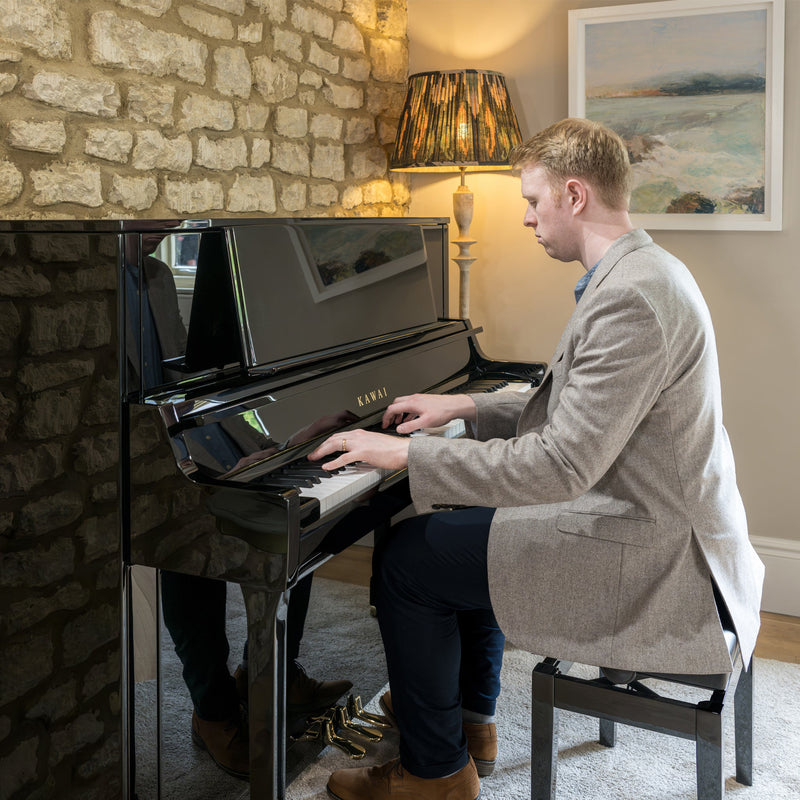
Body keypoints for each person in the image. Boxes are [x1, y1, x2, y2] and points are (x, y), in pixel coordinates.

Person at [308, 118, 765, 800]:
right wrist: (465, 408)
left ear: (574, 195)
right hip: (652, 518)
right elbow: (576, 410)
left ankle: (434, 775)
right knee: (458, 528)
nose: (526, 218)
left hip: (652, 553)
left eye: (532, 200)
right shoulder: (644, 271)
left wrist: (404, 451)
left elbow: (558, 467)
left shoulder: (631, 298)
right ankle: (469, 721)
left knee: (409, 559)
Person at [126, 226, 354, 780]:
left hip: (192, 432)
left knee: (294, 512)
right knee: (189, 549)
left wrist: (271, 442)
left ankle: (269, 672)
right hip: (139, 452)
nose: (169, 227)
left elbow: (189, 378)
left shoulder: (157, 274)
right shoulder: (96, 280)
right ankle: (213, 711)